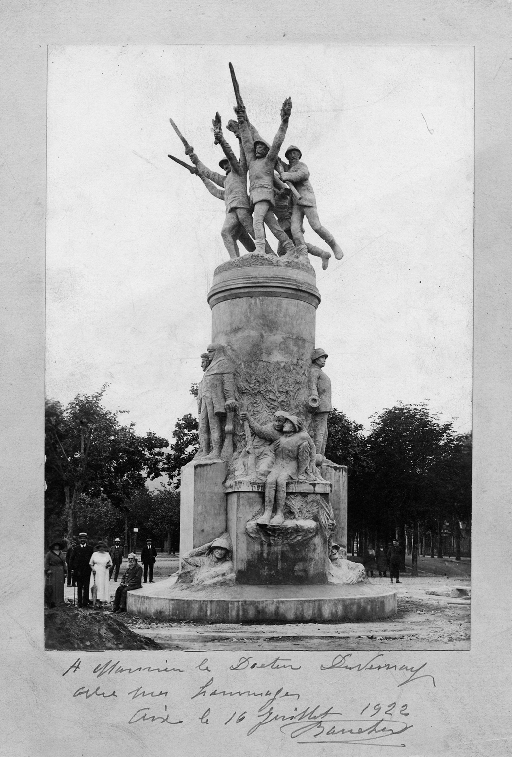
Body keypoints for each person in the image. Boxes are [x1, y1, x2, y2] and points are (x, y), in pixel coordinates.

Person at [236, 98, 296, 256]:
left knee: (257, 221)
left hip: (265, 196)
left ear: (266, 150)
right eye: (257, 146)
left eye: (262, 146)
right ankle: (290, 248)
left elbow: (277, 141)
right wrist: (242, 120)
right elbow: (247, 140)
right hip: (256, 198)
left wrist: (285, 121)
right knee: (275, 227)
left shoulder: (269, 161)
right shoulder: (252, 161)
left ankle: (260, 250)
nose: (258, 148)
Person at [240, 410, 318, 526]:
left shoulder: (302, 436)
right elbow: (261, 433)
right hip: (277, 465)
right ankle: (267, 513)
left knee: (281, 481)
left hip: (291, 466)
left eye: (287, 423)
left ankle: (279, 514)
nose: (283, 425)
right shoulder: (280, 438)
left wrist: (311, 465)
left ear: (294, 426)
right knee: (270, 481)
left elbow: (312, 449)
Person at [279, 145, 343, 261]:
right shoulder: (287, 168)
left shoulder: (301, 166)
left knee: (316, 226)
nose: (292, 156)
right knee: (295, 230)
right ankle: (303, 254)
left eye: (295, 153)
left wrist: (288, 175)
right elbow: (276, 160)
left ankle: (334, 245)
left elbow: (302, 174)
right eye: (290, 154)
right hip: (296, 205)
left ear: (299, 155)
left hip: (307, 200)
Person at [194, 343, 237, 460]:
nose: (208, 354)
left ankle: (216, 451)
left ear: (217, 351)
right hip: (205, 400)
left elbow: (228, 383)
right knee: (203, 426)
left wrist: (230, 398)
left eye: (210, 351)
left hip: (215, 400)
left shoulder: (224, 364)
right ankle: (205, 450)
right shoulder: (210, 367)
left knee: (214, 425)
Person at [307, 348, 333, 464]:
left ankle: (321, 455)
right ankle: (316, 455)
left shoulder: (319, 371)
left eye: (324, 358)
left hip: (325, 405)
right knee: (320, 431)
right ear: (316, 359)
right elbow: (312, 386)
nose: (324, 360)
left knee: (324, 432)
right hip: (320, 405)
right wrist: (314, 397)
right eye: (322, 357)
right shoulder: (314, 371)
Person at [70, 532, 94, 608]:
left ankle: (85, 602)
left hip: (87, 571)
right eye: (81, 538)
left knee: (86, 587)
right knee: (79, 587)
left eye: (84, 538)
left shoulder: (90, 548)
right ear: (79, 539)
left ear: (86, 539)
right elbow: (71, 559)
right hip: (79, 572)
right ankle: (79, 602)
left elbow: (92, 559)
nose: (82, 540)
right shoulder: (76, 549)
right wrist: (72, 569)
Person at [44, 540, 67, 607]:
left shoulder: (61, 553)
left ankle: (60, 601)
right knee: (52, 586)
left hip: (60, 571)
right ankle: (52, 601)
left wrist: (65, 571)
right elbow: (46, 562)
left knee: (60, 586)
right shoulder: (49, 553)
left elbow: (64, 563)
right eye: (55, 545)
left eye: (58, 545)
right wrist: (47, 570)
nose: (56, 547)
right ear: (53, 546)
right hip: (52, 571)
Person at [89, 542, 112, 606]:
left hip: (104, 571)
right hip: (96, 571)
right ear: (98, 548)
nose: (101, 549)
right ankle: (96, 600)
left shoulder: (107, 554)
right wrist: (93, 569)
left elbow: (111, 563)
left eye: (103, 547)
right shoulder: (95, 554)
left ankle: (101, 601)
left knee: (103, 585)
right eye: (100, 547)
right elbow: (90, 563)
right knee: (97, 585)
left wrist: (108, 565)